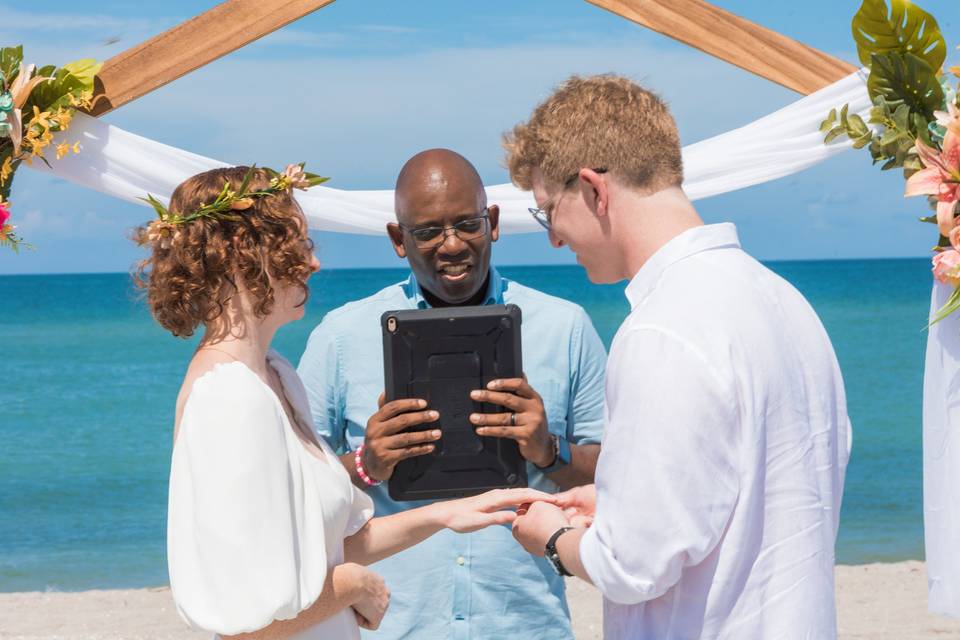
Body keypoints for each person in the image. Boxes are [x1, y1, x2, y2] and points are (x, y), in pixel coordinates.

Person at [133, 165, 551, 640]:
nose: (312, 265)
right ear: (242, 257)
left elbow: (324, 551)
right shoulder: (230, 396)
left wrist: (446, 515)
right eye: (297, 247)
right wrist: (353, 587)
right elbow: (242, 625)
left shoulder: (277, 375)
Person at [506, 75, 853, 639]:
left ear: (595, 190)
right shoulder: (785, 302)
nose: (553, 239)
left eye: (549, 212)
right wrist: (619, 493)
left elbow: (633, 565)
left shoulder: (662, 328)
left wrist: (551, 536)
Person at [297, 148, 607, 638]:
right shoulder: (339, 337)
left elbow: (616, 474)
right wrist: (366, 464)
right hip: (392, 626)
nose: (452, 245)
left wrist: (547, 450)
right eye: (427, 232)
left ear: (495, 223)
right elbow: (294, 493)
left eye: (468, 224)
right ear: (399, 240)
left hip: (525, 625)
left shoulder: (565, 327)